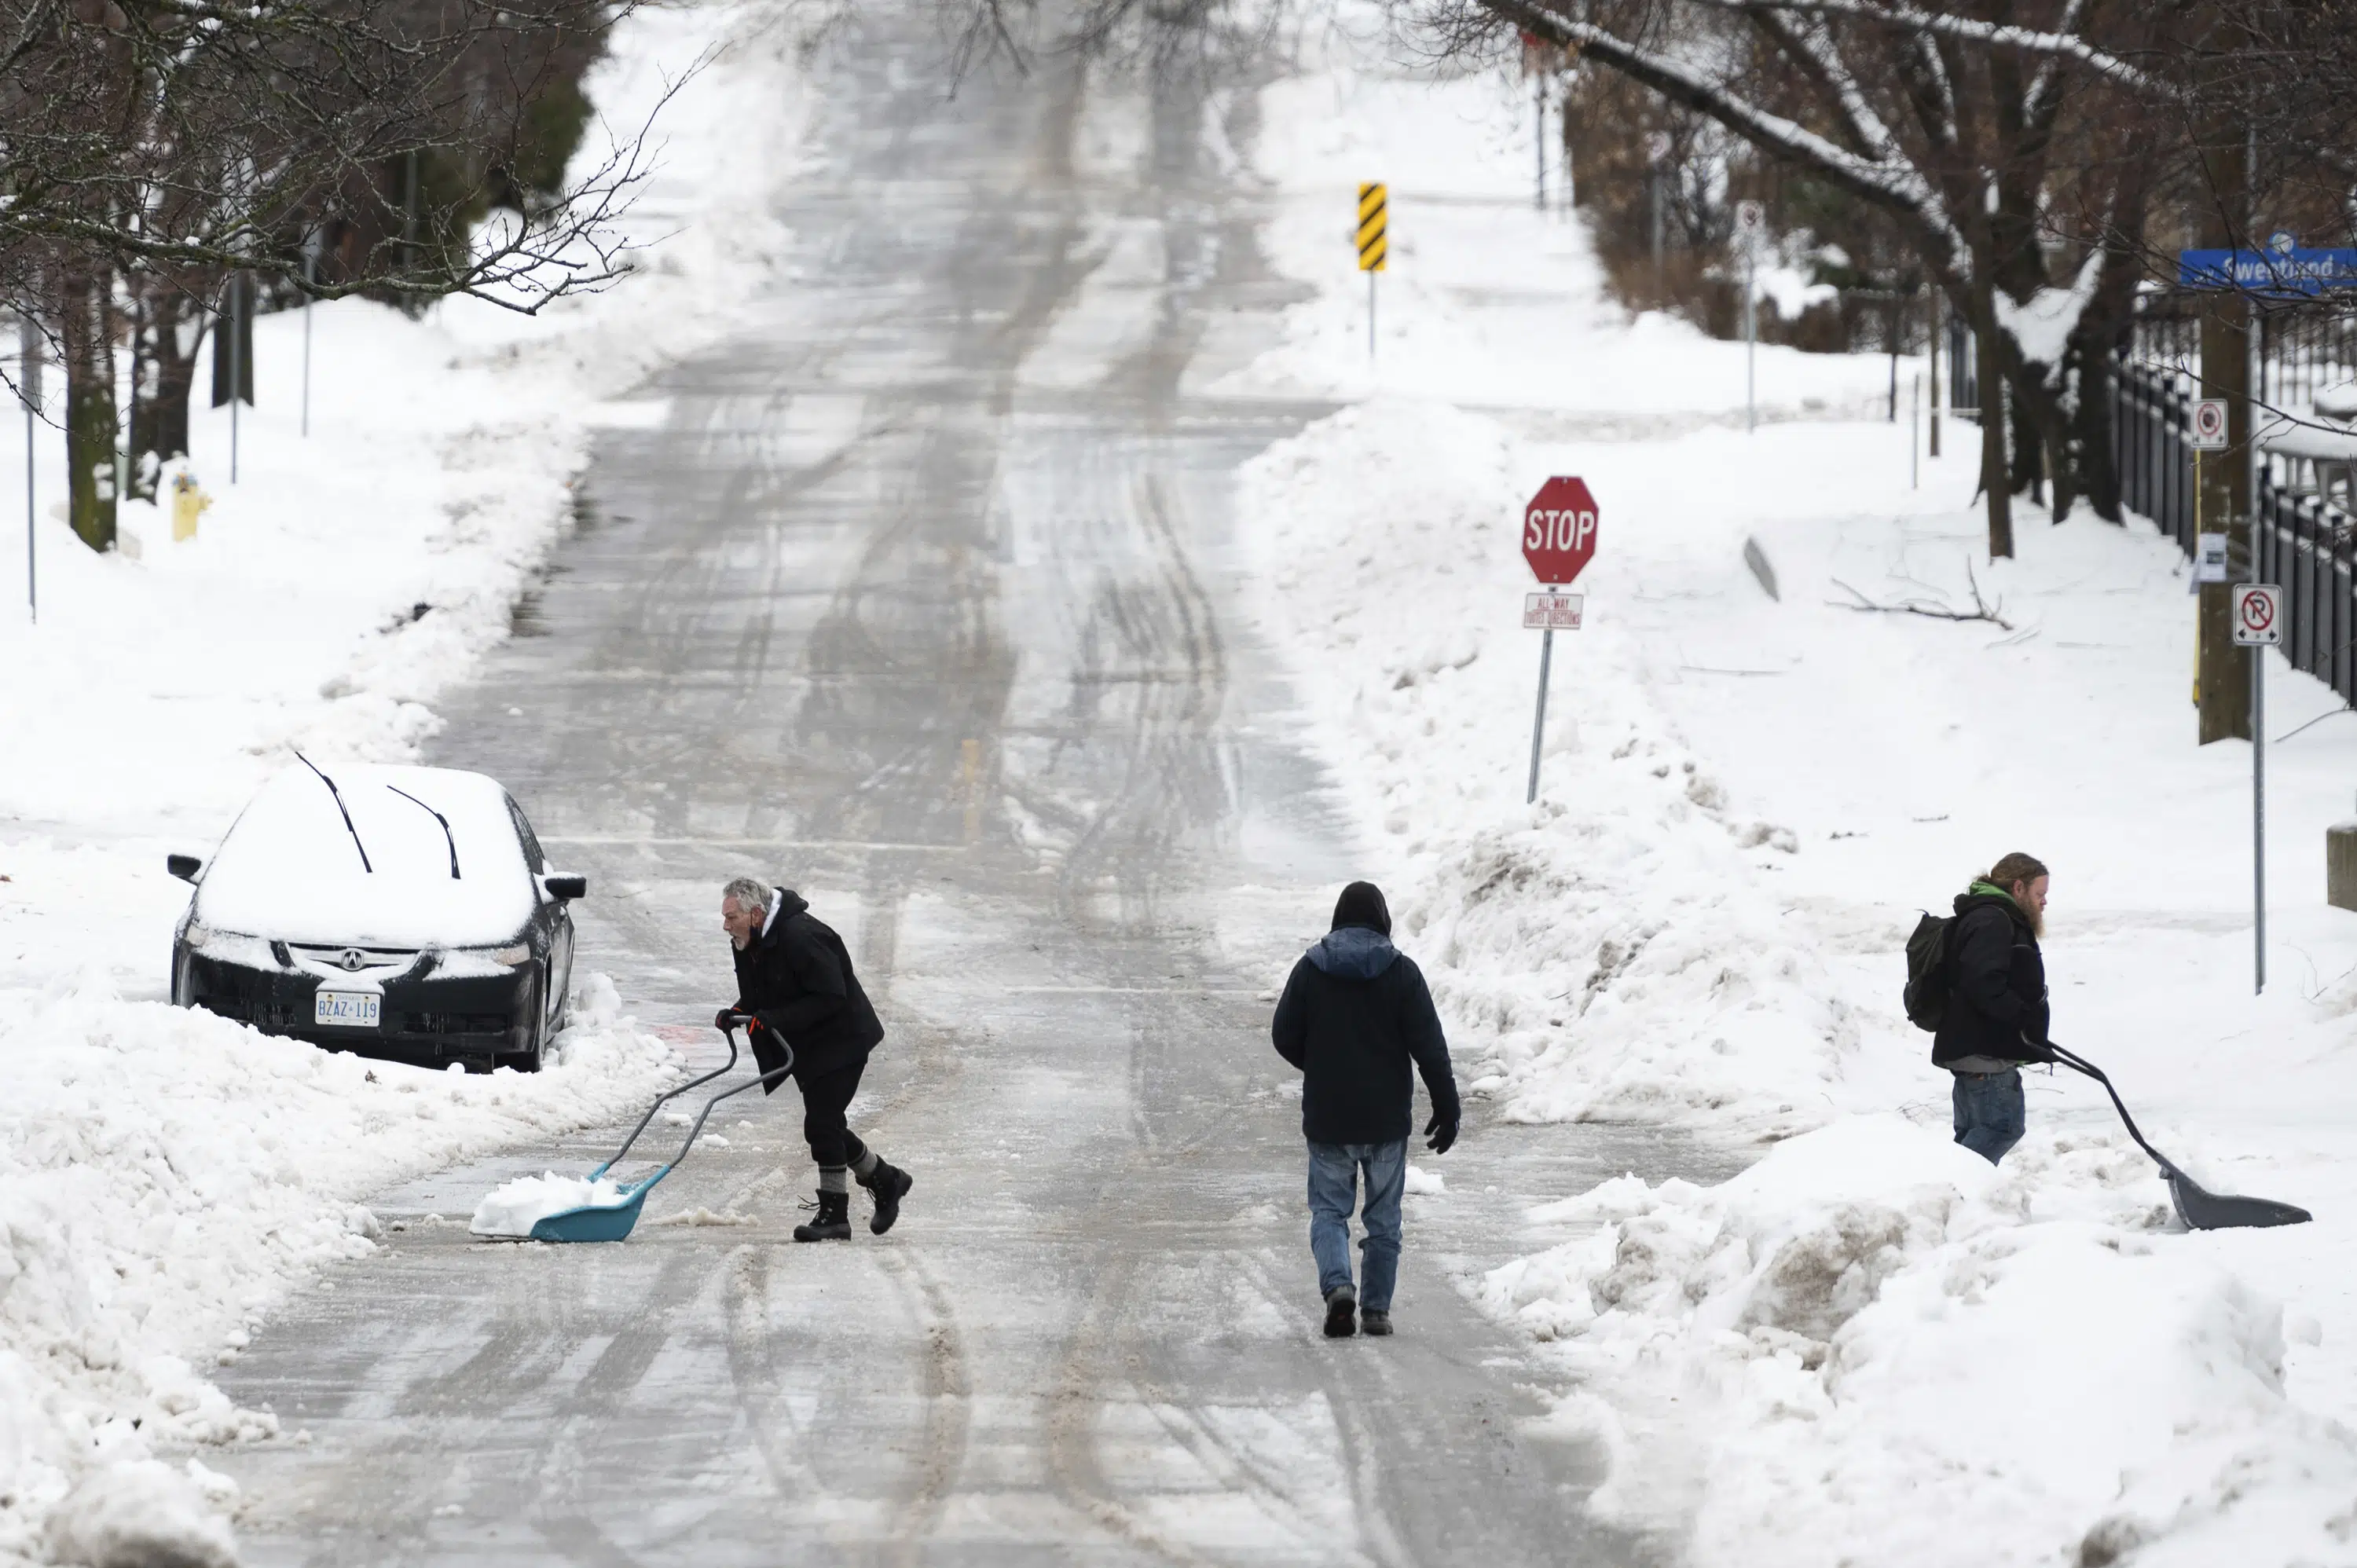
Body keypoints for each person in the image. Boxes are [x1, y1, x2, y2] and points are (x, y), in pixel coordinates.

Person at [1270, 881, 1461, 1339]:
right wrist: (1447, 1104)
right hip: (1385, 1122)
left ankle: (1339, 1289)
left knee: (1329, 1213)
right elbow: (1430, 1047)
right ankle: (1376, 1310)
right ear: (1382, 920)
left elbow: (1283, 1034)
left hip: (1329, 1118)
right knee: (1383, 1220)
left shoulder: (1311, 969)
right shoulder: (1402, 973)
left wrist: (1318, 1064)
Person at [719, 877, 913, 1241]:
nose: (726, 926)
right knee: (828, 1126)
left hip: (844, 1039)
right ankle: (886, 1179)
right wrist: (737, 1012)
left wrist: (778, 1019)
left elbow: (832, 995)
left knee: (822, 1125)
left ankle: (835, 1214)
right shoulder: (746, 942)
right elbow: (761, 994)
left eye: (732, 917)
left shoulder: (802, 936)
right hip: (811, 1044)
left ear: (757, 914)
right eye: (725, 917)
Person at [1931, 852, 2054, 1164]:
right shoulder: (1993, 920)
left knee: (1976, 1133)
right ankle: (1953, 1189)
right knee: (2002, 1128)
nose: (2044, 903)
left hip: (1977, 1050)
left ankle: (1955, 1197)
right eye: (2039, 894)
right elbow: (1983, 981)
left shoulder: (1987, 916)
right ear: (2018, 887)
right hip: (1985, 1053)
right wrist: (2021, 1019)